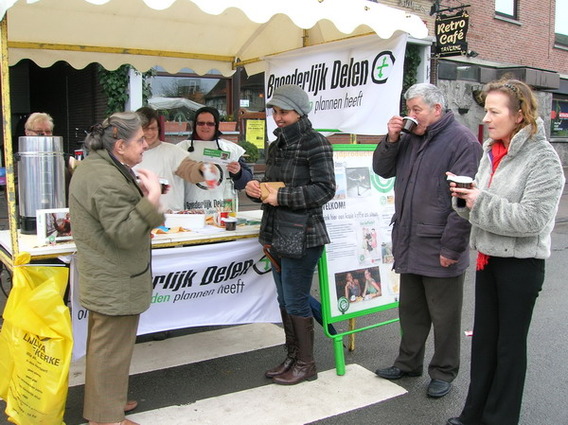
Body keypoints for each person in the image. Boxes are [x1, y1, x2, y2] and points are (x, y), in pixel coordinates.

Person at [446, 79, 564, 425]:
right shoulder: (492, 150)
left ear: (519, 115)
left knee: (508, 349)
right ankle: (474, 414)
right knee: (484, 344)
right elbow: (479, 207)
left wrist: (479, 200)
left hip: (521, 267)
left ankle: (499, 419)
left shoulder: (544, 159)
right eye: (486, 110)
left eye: (494, 111)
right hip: (488, 259)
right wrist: (463, 196)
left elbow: (533, 220)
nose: (486, 117)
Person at [372, 83, 482, 398]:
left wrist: (452, 248)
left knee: (445, 316)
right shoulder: (409, 137)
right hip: (410, 239)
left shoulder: (462, 142)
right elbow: (382, 169)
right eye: (408, 109)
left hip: (440, 246)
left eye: (416, 109)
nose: (411, 115)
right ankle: (408, 363)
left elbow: (462, 204)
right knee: (411, 310)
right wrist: (391, 139)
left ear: (437, 109)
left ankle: (444, 371)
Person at [69, 112, 165, 425]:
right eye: (140, 140)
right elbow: (124, 233)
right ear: (120, 144)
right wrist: (150, 199)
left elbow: (116, 217)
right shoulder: (104, 175)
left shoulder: (103, 166)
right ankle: (105, 419)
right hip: (115, 278)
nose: (146, 144)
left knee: (107, 350)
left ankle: (108, 403)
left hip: (109, 276)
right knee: (110, 351)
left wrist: (144, 195)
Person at [245, 84, 335, 385]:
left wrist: (281, 198)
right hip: (276, 231)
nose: (277, 117)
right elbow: (274, 185)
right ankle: (293, 357)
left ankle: (306, 363)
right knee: (284, 299)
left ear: (300, 111)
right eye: (275, 111)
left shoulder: (316, 143)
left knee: (295, 300)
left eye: (283, 112)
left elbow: (325, 190)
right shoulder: (277, 144)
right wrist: (257, 189)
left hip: (304, 235)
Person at [178, 107, 253, 212]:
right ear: (195, 125)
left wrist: (238, 173)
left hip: (223, 212)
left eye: (210, 123)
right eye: (201, 123)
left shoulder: (230, 149)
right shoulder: (180, 149)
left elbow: (246, 181)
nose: (205, 126)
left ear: (216, 125)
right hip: (191, 211)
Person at [134, 107, 209, 211]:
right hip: (136, 219)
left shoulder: (172, 152)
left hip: (169, 220)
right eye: (145, 129)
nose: (150, 133)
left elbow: (189, 169)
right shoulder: (127, 153)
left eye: (153, 128)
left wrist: (202, 169)